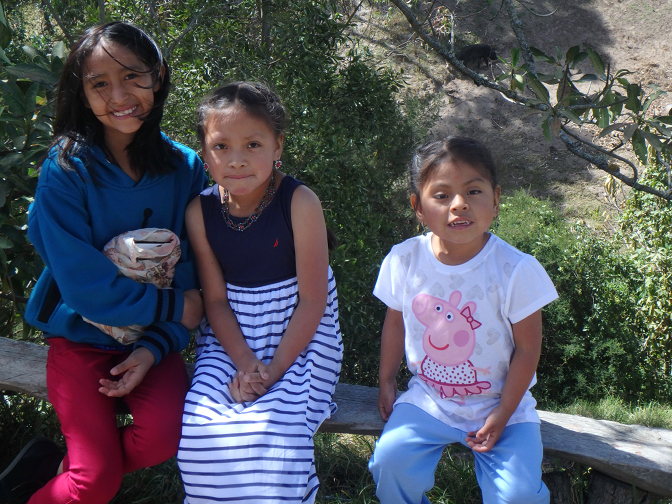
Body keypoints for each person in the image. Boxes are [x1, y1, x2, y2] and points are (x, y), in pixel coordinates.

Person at [0, 21, 206, 504]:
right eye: (99, 84)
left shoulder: (184, 167)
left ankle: (52, 472)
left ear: (158, 77)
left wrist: (156, 346)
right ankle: (62, 481)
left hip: (153, 345)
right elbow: (82, 283)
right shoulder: (66, 169)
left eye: (134, 76)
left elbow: (197, 263)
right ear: (82, 94)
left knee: (161, 439)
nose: (120, 95)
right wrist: (175, 308)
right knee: (96, 482)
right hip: (80, 341)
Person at [368, 136, 558, 504]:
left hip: (505, 405)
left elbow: (528, 349)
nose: (459, 205)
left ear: (496, 199)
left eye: (473, 191)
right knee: (390, 463)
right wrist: (386, 379)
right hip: (429, 399)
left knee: (518, 496)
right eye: (441, 195)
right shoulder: (404, 259)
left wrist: (503, 413)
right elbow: (395, 322)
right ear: (417, 207)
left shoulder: (516, 269)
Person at [177, 82, 343, 504]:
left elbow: (313, 300)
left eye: (253, 144)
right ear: (204, 152)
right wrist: (247, 362)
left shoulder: (300, 202)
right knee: (200, 434)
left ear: (277, 145)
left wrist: (270, 371)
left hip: (301, 336)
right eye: (221, 146)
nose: (237, 160)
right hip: (230, 336)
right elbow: (214, 301)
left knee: (275, 439)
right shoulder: (200, 211)